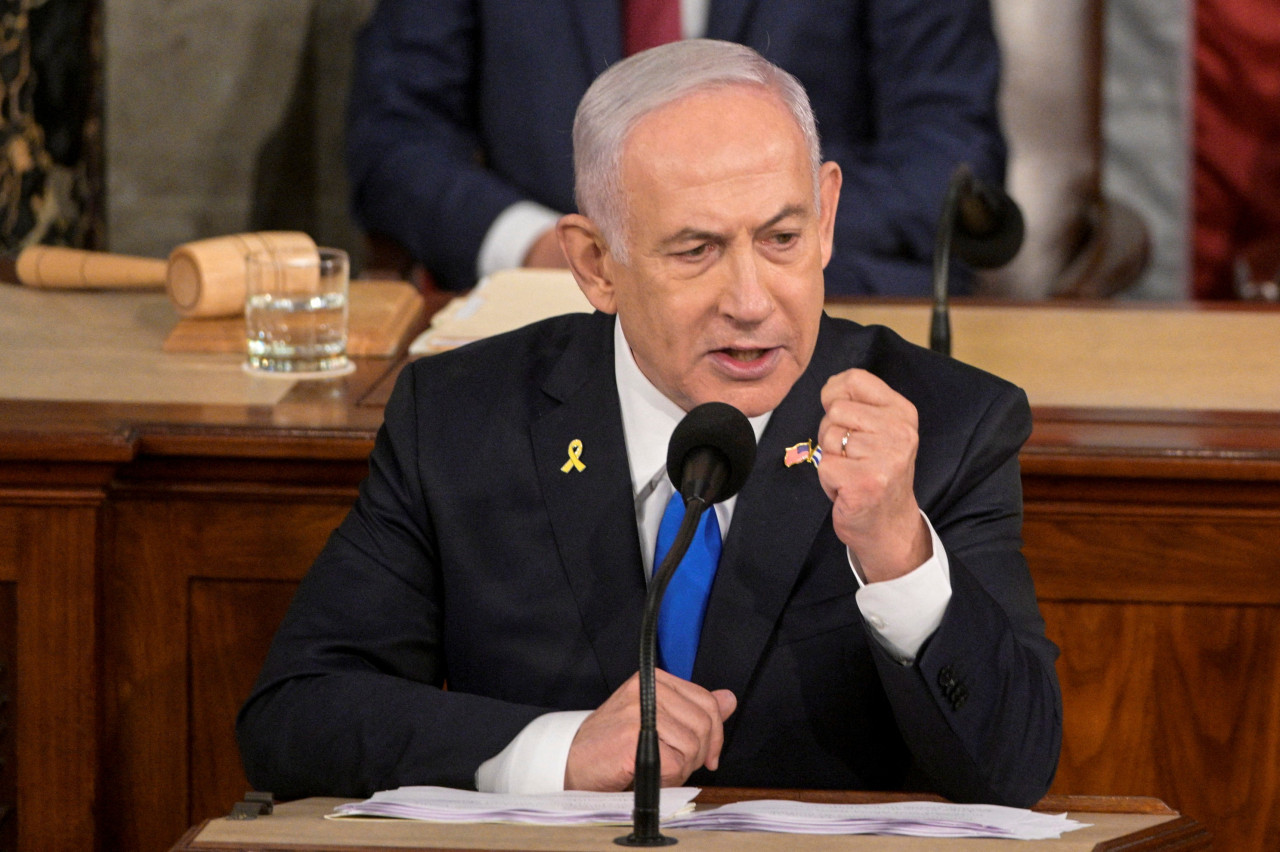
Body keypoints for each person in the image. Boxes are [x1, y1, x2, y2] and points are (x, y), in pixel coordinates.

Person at [240, 39, 1060, 806]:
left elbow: (1013, 770)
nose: (749, 302)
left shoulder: (946, 426)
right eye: (695, 251)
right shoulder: (460, 420)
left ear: (828, 217)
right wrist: (558, 753)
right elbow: (295, 717)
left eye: (781, 237)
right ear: (596, 264)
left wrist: (898, 554)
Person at [345, 0, 1006, 297]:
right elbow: (394, 138)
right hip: (561, 310)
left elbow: (947, 158)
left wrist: (740, 244)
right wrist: (537, 246)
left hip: (807, 314)